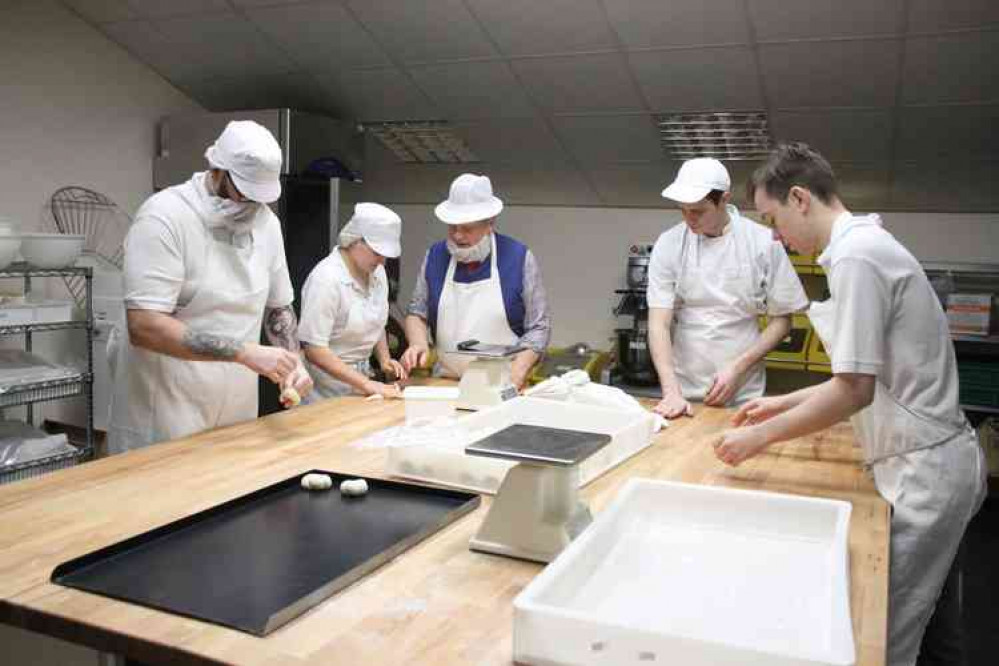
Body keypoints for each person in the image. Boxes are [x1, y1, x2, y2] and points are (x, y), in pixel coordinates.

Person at [712, 142, 986, 666]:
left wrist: (755, 439)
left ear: (799, 198)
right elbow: (862, 376)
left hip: (926, 473)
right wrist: (781, 403)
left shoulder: (858, 256)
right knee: (936, 625)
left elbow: (854, 391)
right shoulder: (860, 247)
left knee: (884, 632)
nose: (775, 236)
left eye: (773, 218)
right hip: (933, 461)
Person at [108, 120, 312, 454]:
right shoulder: (165, 217)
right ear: (217, 169)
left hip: (234, 410)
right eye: (243, 193)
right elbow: (144, 325)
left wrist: (294, 362)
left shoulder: (267, 225)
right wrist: (244, 352)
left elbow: (278, 309)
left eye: (260, 199)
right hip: (166, 411)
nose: (250, 206)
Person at [647, 158, 808, 418]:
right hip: (684, 389)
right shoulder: (669, 244)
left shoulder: (762, 242)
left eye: (698, 211)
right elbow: (659, 323)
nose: (689, 219)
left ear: (723, 199)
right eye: (683, 210)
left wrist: (738, 368)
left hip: (744, 388)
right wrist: (670, 391)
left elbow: (783, 320)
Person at [400, 173, 551, 389]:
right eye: (453, 227)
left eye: (467, 229)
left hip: (502, 383)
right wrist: (418, 344)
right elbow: (417, 312)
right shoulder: (435, 256)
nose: (458, 236)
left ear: (490, 224)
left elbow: (539, 327)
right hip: (446, 381)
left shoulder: (518, 257)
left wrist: (518, 372)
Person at [298, 203, 406, 400]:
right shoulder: (326, 279)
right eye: (377, 253)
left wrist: (385, 360)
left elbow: (376, 320)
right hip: (323, 389)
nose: (382, 261)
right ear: (355, 241)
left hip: (362, 383)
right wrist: (366, 383)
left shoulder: (377, 272)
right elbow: (314, 349)